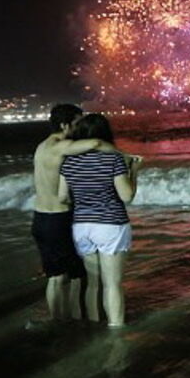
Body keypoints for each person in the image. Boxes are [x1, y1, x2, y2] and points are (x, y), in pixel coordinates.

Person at [32, 104, 120, 321]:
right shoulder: (60, 147)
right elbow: (97, 142)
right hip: (58, 219)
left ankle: (58, 321)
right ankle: (73, 320)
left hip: (40, 219)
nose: (80, 127)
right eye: (77, 122)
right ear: (65, 125)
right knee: (76, 276)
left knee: (55, 276)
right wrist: (123, 157)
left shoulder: (42, 147)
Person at [58, 113, 140, 327]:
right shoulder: (113, 159)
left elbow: (62, 197)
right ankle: (116, 329)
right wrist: (134, 172)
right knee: (112, 284)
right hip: (111, 225)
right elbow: (126, 196)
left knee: (92, 284)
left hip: (82, 227)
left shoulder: (69, 162)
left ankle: (94, 326)